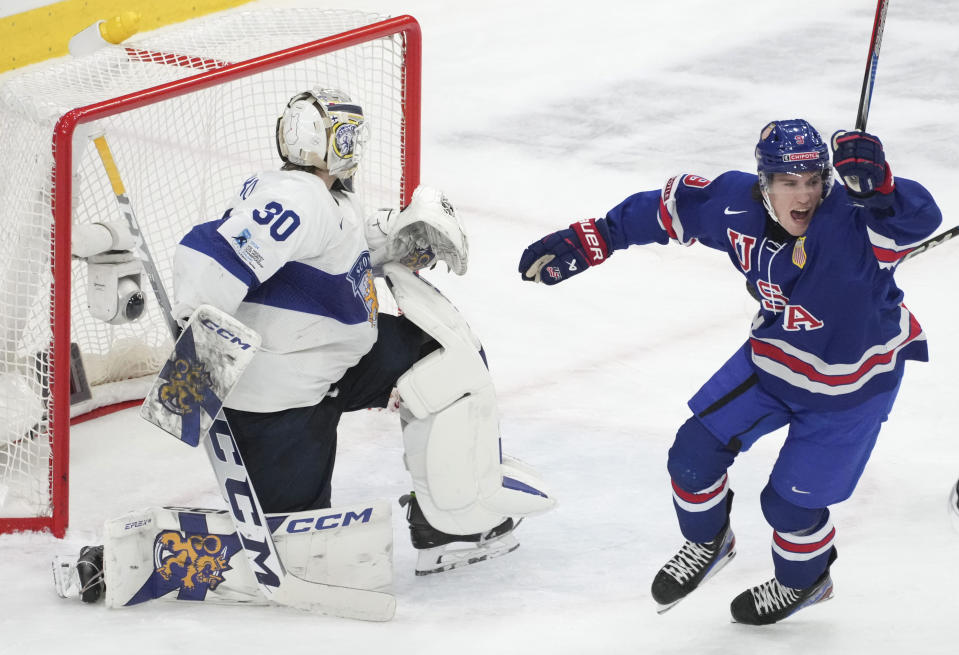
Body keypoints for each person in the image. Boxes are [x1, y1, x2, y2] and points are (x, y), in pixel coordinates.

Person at [65, 88, 554, 607]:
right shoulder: (296, 198)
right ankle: (123, 559)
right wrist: (201, 356)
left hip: (339, 363)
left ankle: (451, 526)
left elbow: (335, 244)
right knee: (291, 550)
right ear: (327, 144)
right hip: (282, 402)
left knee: (441, 363)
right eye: (348, 137)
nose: (355, 147)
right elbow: (211, 258)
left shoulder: (322, 195)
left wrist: (397, 238)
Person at [518, 119, 941, 625]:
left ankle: (805, 581)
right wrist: (597, 237)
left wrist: (882, 186)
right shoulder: (733, 204)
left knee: (789, 509)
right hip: (773, 360)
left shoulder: (856, 220)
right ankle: (709, 542)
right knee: (691, 457)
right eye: (788, 181)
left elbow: (918, 219)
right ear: (764, 183)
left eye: (813, 180)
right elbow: (664, 210)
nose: (803, 194)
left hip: (851, 387)